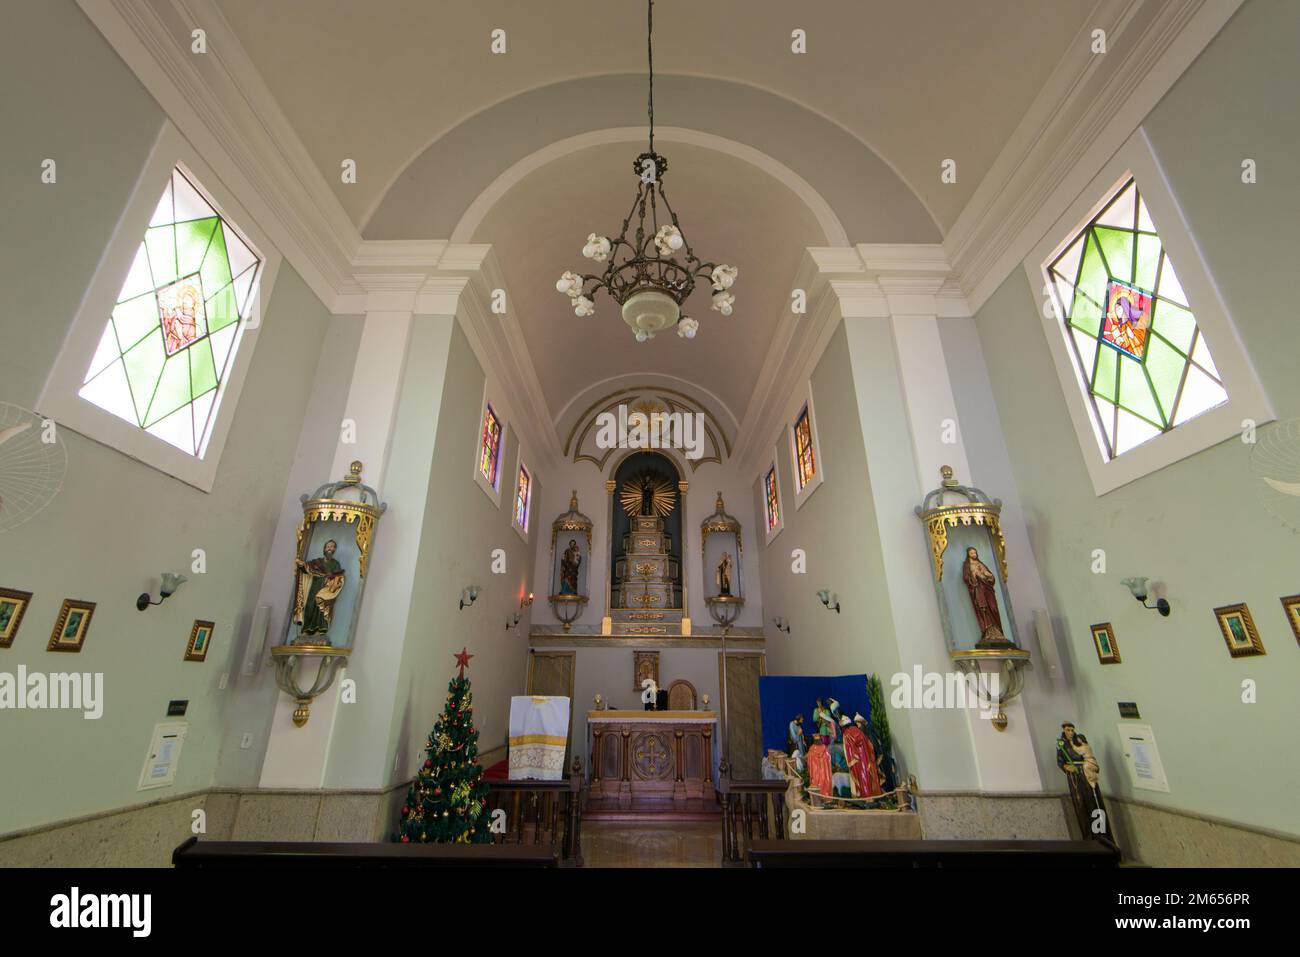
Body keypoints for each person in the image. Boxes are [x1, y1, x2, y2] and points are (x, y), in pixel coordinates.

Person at [295, 539, 345, 639]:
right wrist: (300, 563)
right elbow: (307, 567)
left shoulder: (335, 564)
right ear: (324, 549)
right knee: (310, 606)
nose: (330, 548)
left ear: (335, 550)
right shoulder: (317, 562)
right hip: (315, 586)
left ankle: (319, 630)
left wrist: (333, 583)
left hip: (326, 590)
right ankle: (306, 630)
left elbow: (339, 576)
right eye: (328, 546)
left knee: (321, 608)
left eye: (332, 546)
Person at [962, 547, 1009, 647]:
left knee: (993, 608)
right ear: (968, 554)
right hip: (978, 589)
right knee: (984, 609)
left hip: (988, 589)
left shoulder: (981, 563)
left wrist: (990, 576)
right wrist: (973, 576)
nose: (974, 554)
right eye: (972, 553)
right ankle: (988, 633)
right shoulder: (967, 565)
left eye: (975, 552)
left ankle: (998, 632)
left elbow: (990, 577)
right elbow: (966, 578)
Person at [840, 715, 882, 799]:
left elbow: (848, 750)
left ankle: (863, 796)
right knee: (867, 775)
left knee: (860, 778)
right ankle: (872, 795)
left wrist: (850, 761)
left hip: (856, 761)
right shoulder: (858, 731)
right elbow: (869, 744)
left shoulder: (846, 735)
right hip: (865, 757)